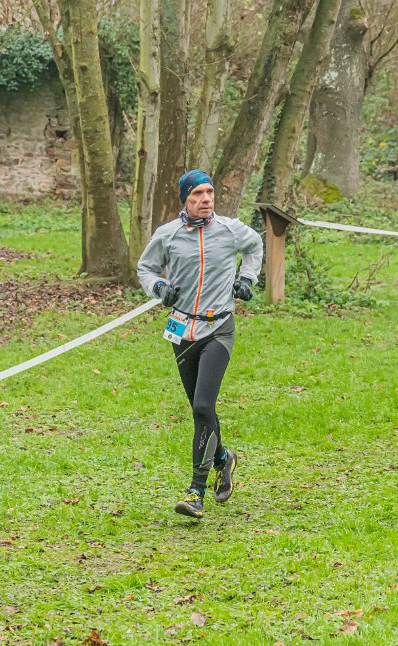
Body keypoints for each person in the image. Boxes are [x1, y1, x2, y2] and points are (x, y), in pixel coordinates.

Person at [138, 169, 263, 518]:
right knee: (199, 407)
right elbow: (146, 268)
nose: (205, 199)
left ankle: (196, 491)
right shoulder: (168, 235)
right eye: (197, 194)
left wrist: (247, 278)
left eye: (209, 192)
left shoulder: (230, 229)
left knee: (203, 406)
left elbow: (255, 246)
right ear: (185, 199)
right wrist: (160, 288)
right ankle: (224, 458)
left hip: (218, 327)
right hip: (182, 330)